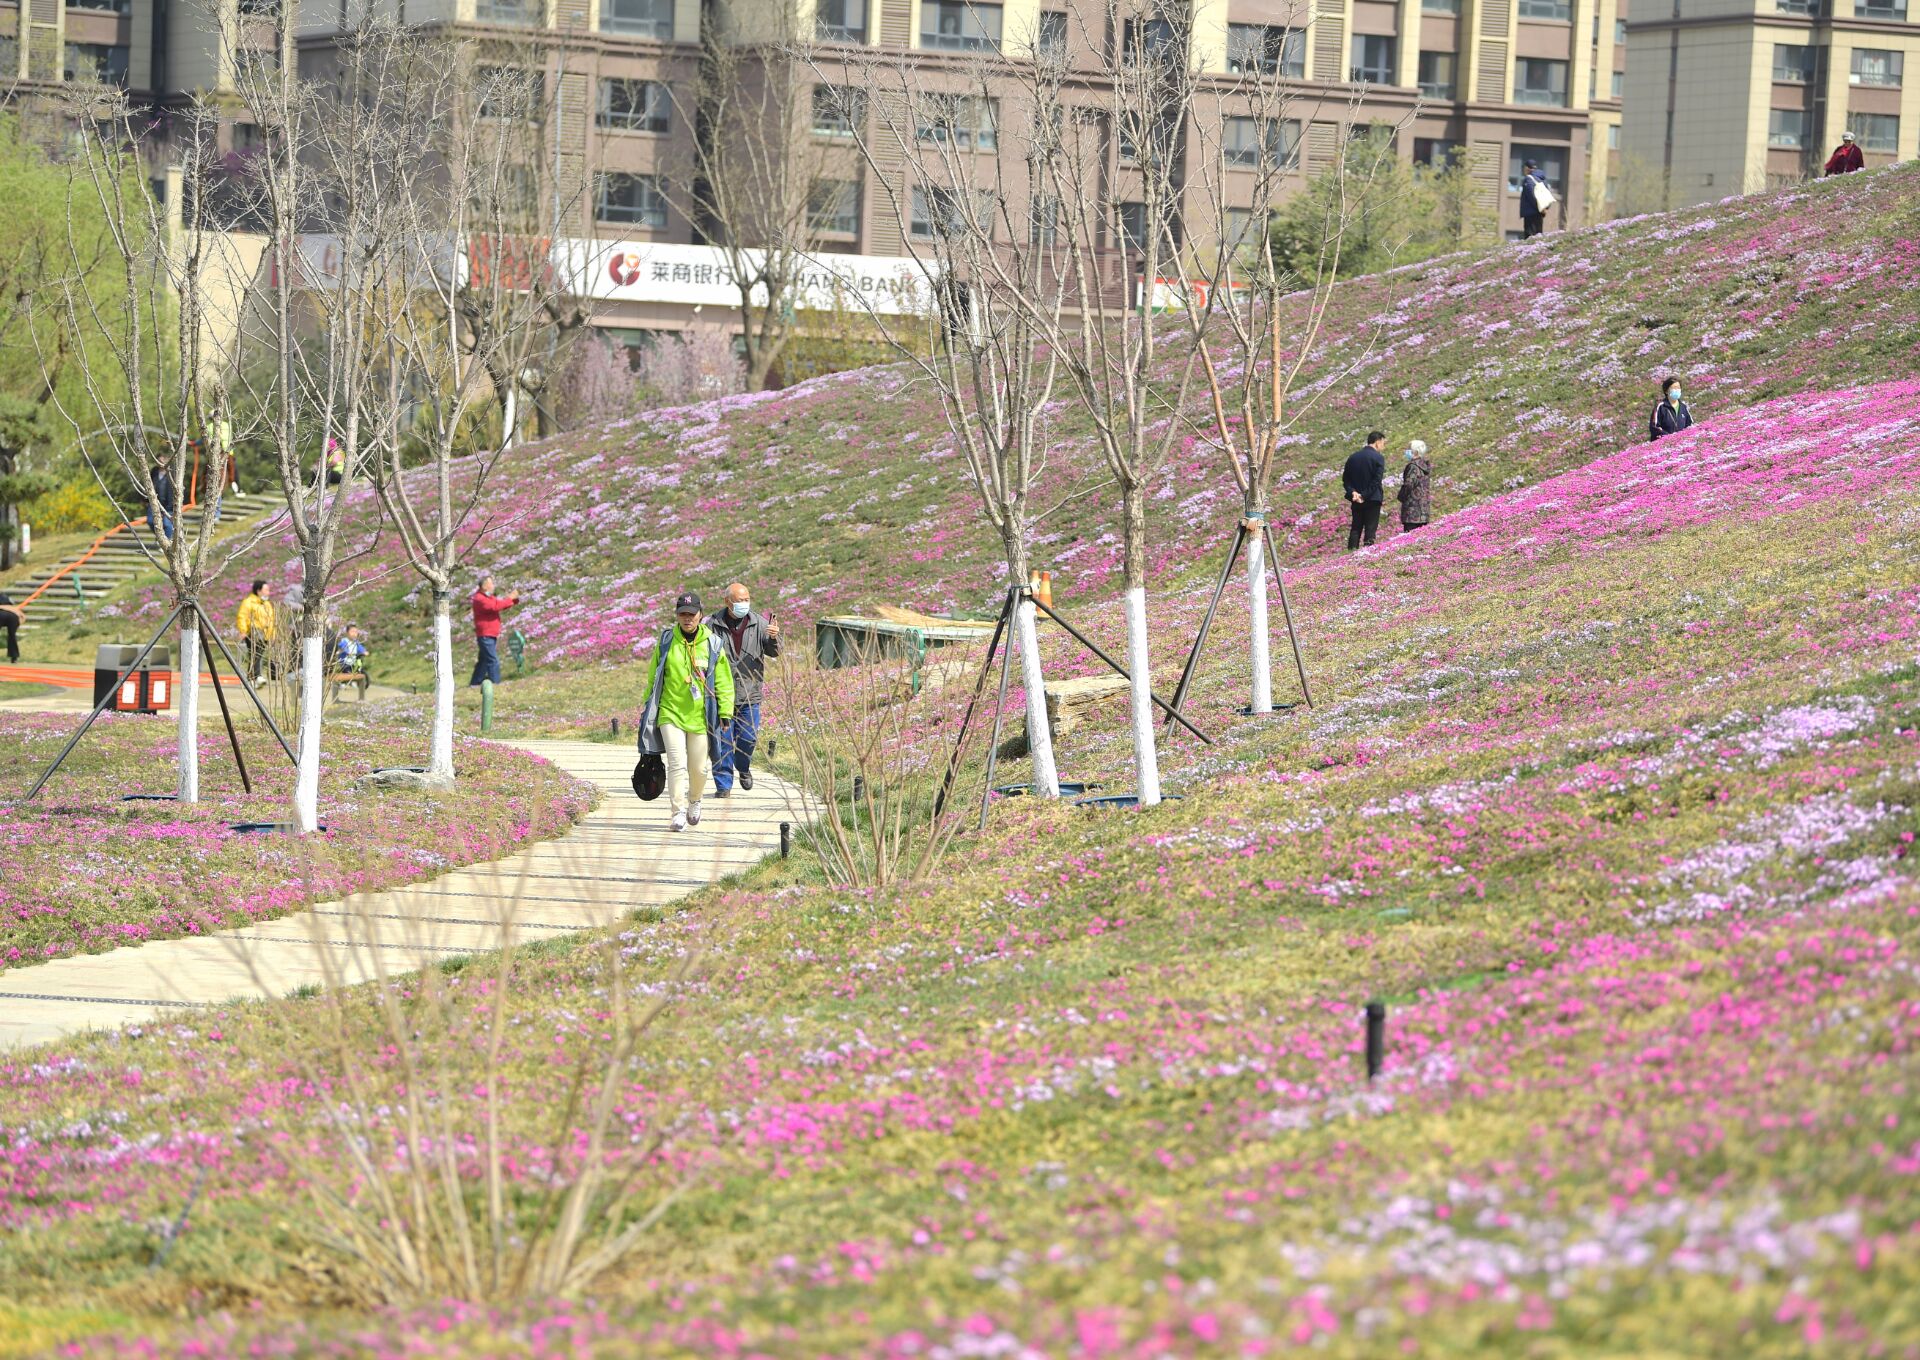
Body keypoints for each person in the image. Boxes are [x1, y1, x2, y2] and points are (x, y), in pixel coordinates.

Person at [638, 592, 735, 833]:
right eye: (682, 613)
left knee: (699, 768)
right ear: (677, 615)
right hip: (670, 712)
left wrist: (725, 712)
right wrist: (647, 707)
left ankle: (695, 801)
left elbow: (723, 680)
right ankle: (677, 811)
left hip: (700, 716)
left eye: (691, 614)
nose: (687, 618)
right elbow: (654, 675)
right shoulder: (667, 640)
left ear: (701, 615)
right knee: (676, 763)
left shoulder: (712, 643)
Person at [707, 582, 780, 797]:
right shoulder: (713, 624)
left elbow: (775, 652)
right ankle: (723, 785)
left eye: (747, 599)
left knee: (748, 739)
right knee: (723, 742)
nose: (744, 604)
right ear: (727, 602)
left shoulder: (759, 623)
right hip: (722, 695)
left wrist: (774, 638)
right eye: (740, 601)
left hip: (750, 694)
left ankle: (743, 767)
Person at [1342, 430, 1388, 551]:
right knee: (1370, 529)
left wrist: (1353, 492)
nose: (1383, 447)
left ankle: (1351, 552)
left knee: (1356, 528)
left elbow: (1346, 479)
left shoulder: (1353, 457)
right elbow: (1376, 481)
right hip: (1372, 498)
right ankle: (1367, 554)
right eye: (1383, 443)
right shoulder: (1378, 458)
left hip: (1355, 499)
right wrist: (1364, 495)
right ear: (1377, 442)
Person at [470, 575, 519, 687]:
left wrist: (513, 600)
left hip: (489, 634)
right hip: (485, 634)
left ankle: (475, 683)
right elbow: (495, 606)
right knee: (492, 660)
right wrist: (510, 598)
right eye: (491, 583)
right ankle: (495, 683)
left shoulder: (487, 597)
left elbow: (498, 604)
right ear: (484, 586)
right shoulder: (479, 598)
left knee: (483, 661)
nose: (493, 586)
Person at [236, 579, 276, 683]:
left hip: (265, 634)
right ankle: (257, 676)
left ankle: (251, 678)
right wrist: (243, 631)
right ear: (258, 591)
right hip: (253, 633)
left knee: (257, 655)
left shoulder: (267, 604)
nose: (268, 592)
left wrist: (272, 634)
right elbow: (242, 617)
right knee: (255, 654)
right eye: (266, 590)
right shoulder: (248, 602)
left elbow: (271, 620)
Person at [1396, 440, 1432, 533]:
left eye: (1409, 448)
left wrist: (1401, 496)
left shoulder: (1413, 466)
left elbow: (1409, 484)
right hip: (1423, 509)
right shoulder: (1424, 465)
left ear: (1415, 451)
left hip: (1412, 510)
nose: (1406, 451)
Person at [1648, 377, 1693, 442]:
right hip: (1664, 444)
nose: (1677, 390)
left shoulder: (1683, 407)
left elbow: (1690, 425)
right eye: (1674, 388)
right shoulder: (1661, 407)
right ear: (1666, 391)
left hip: (1682, 442)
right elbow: (1654, 427)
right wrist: (1669, 437)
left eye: (1678, 388)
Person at [1518, 160, 1550, 239]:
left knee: (1530, 237)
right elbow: (1548, 195)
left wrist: (1539, 207)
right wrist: (1545, 208)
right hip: (1540, 213)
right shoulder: (1542, 179)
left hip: (1531, 212)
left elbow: (1531, 196)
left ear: (1527, 168)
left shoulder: (1528, 179)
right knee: (1538, 236)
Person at [146, 461, 176, 541]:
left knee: (167, 524)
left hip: (169, 505)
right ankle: (160, 537)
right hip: (154, 503)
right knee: (150, 521)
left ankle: (167, 541)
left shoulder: (172, 473)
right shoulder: (154, 472)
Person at [0, 591, 20, 665]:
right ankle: (14, 657)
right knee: (12, 636)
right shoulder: (6, 596)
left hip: (1, 613)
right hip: (13, 615)